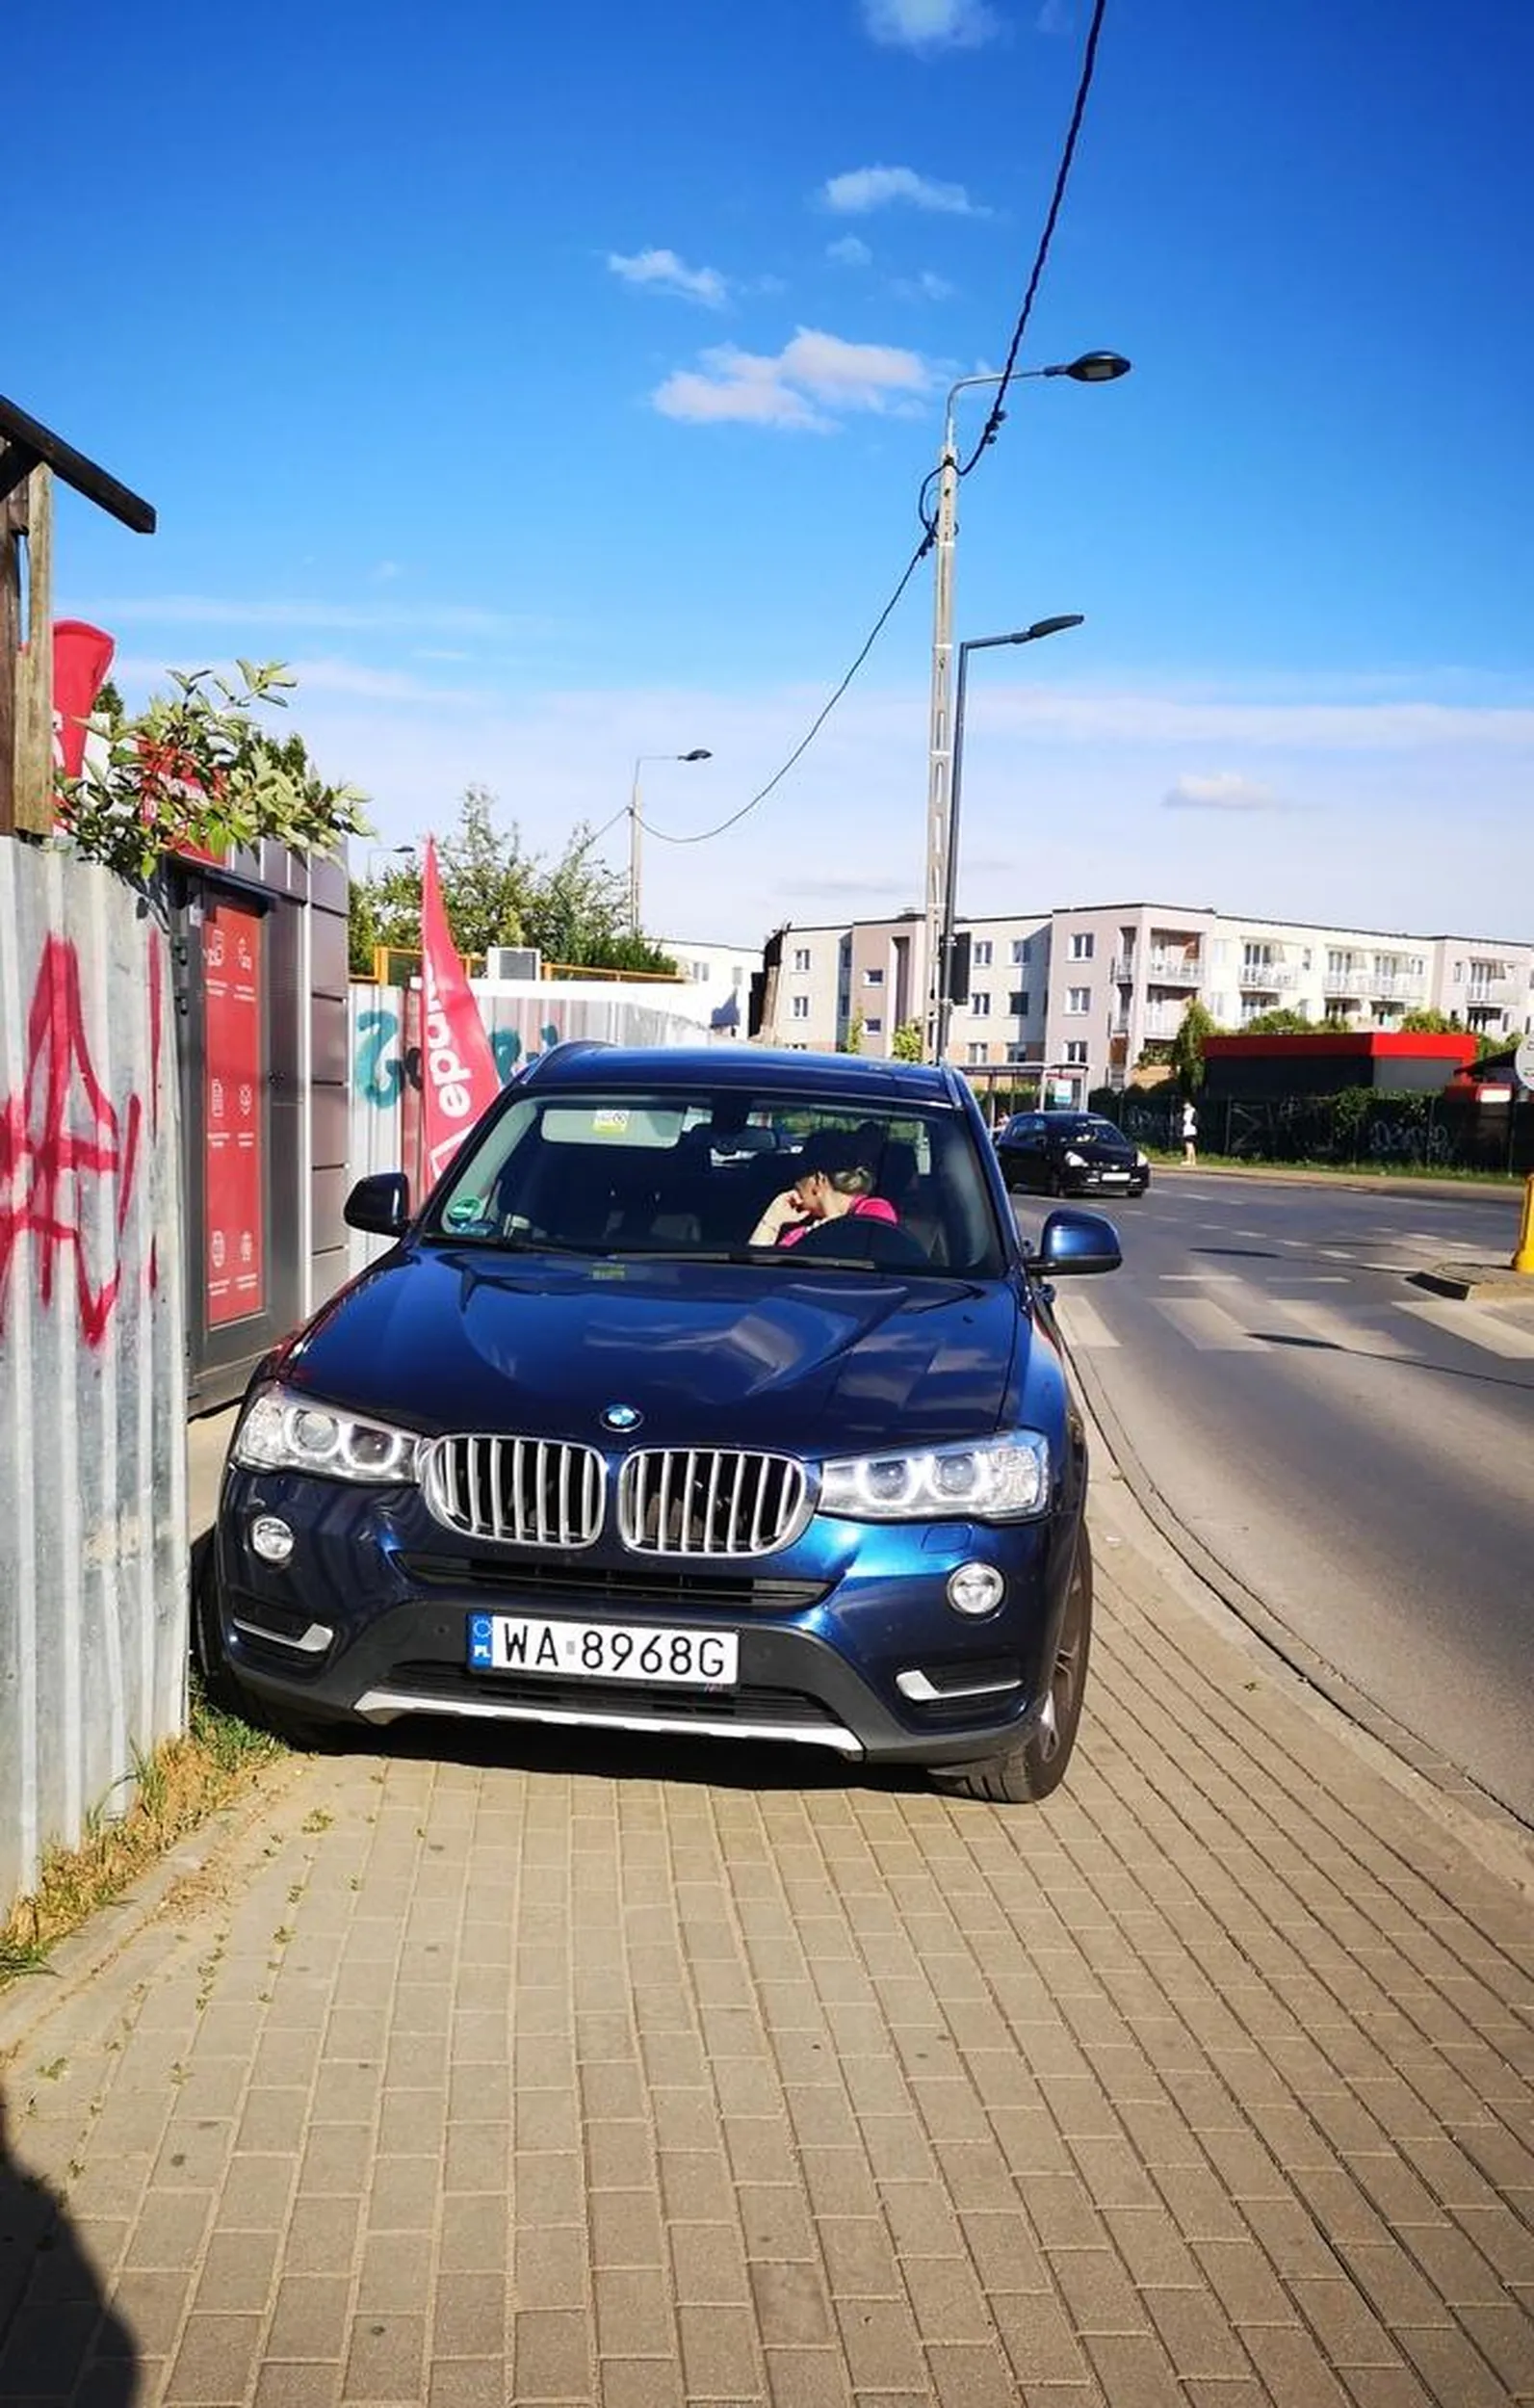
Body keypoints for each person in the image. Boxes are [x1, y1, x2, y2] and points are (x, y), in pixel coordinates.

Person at [750, 1129, 897, 1247]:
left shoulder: (874, 1211)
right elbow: (756, 1271)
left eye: (798, 1178)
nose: (793, 1188)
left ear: (818, 1180)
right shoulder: (798, 1233)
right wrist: (773, 1218)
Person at [1182, 1097, 1198, 1165]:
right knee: (1191, 1145)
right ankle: (1193, 1160)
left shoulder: (1192, 1111)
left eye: (1185, 1104)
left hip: (1190, 1130)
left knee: (1189, 1145)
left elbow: (1194, 1120)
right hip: (1188, 1129)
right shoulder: (1187, 1111)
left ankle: (1189, 1160)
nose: (1184, 1106)